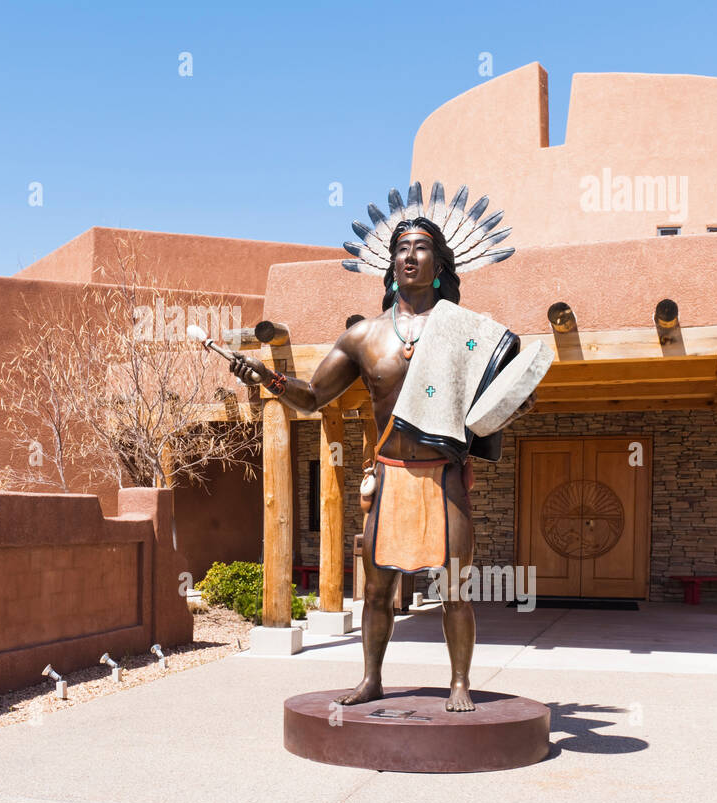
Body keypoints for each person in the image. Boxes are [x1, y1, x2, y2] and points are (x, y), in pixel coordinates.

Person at [228, 214, 533, 711]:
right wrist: (267, 376)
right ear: (390, 264)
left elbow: (497, 394)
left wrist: (516, 402)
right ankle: (371, 678)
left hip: (444, 476)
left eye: (421, 248)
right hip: (390, 475)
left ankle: (459, 683)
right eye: (401, 249)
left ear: (439, 263)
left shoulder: (463, 330)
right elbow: (311, 398)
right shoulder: (364, 337)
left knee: (455, 587)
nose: (410, 256)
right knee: (375, 591)